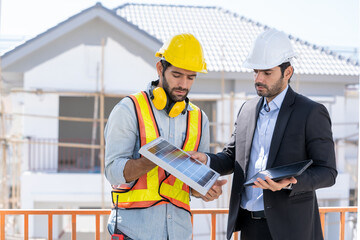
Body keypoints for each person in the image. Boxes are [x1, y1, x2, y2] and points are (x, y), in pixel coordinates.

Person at [190, 28, 337, 240]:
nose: (259, 78)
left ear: (288, 72)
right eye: (256, 71)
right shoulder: (247, 110)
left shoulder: (311, 112)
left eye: (267, 73)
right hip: (250, 226)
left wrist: (289, 182)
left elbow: (328, 172)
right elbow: (232, 159)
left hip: (293, 230)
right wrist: (206, 159)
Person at [104, 33, 226, 240]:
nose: (184, 85)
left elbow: (190, 187)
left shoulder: (199, 119)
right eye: (177, 75)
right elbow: (112, 172)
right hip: (133, 232)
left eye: (191, 77)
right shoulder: (129, 109)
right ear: (160, 68)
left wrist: (204, 190)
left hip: (179, 232)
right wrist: (149, 162)